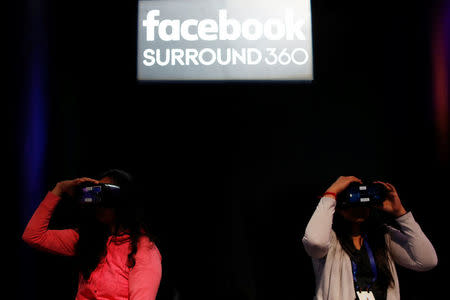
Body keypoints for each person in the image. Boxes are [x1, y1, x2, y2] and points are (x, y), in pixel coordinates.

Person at [22, 169, 162, 300]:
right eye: (96, 194)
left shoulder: (143, 250)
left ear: (123, 201)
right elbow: (33, 235)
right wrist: (59, 189)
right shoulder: (89, 238)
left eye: (105, 195)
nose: (99, 203)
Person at [302, 176, 437, 300]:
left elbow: (426, 261)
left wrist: (401, 213)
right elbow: (315, 243)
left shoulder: (383, 236)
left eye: (363, 200)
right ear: (338, 205)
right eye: (352, 199)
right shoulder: (329, 238)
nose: (358, 207)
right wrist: (331, 194)